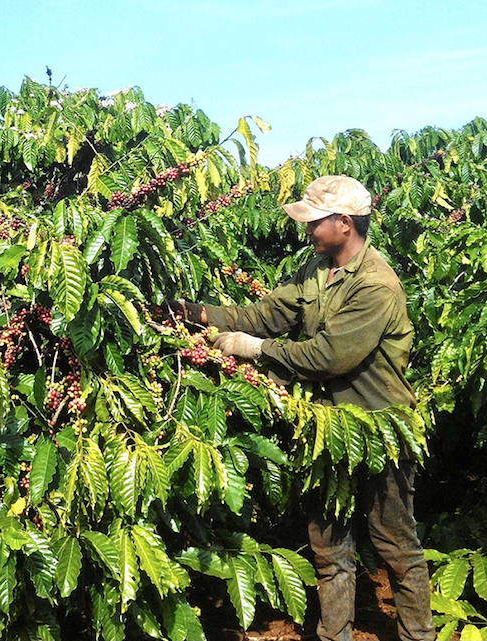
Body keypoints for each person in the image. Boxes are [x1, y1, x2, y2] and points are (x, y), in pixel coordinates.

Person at [173, 176, 434, 640]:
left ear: (344, 223)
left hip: (378, 430)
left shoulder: (375, 285)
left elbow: (328, 357)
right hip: (325, 427)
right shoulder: (317, 270)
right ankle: (335, 636)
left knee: (395, 544)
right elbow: (264, 315)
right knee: (328, 544)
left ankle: (419, 635)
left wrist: (256, 350)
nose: (307, 231)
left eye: (315, 222)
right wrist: (193, 313)